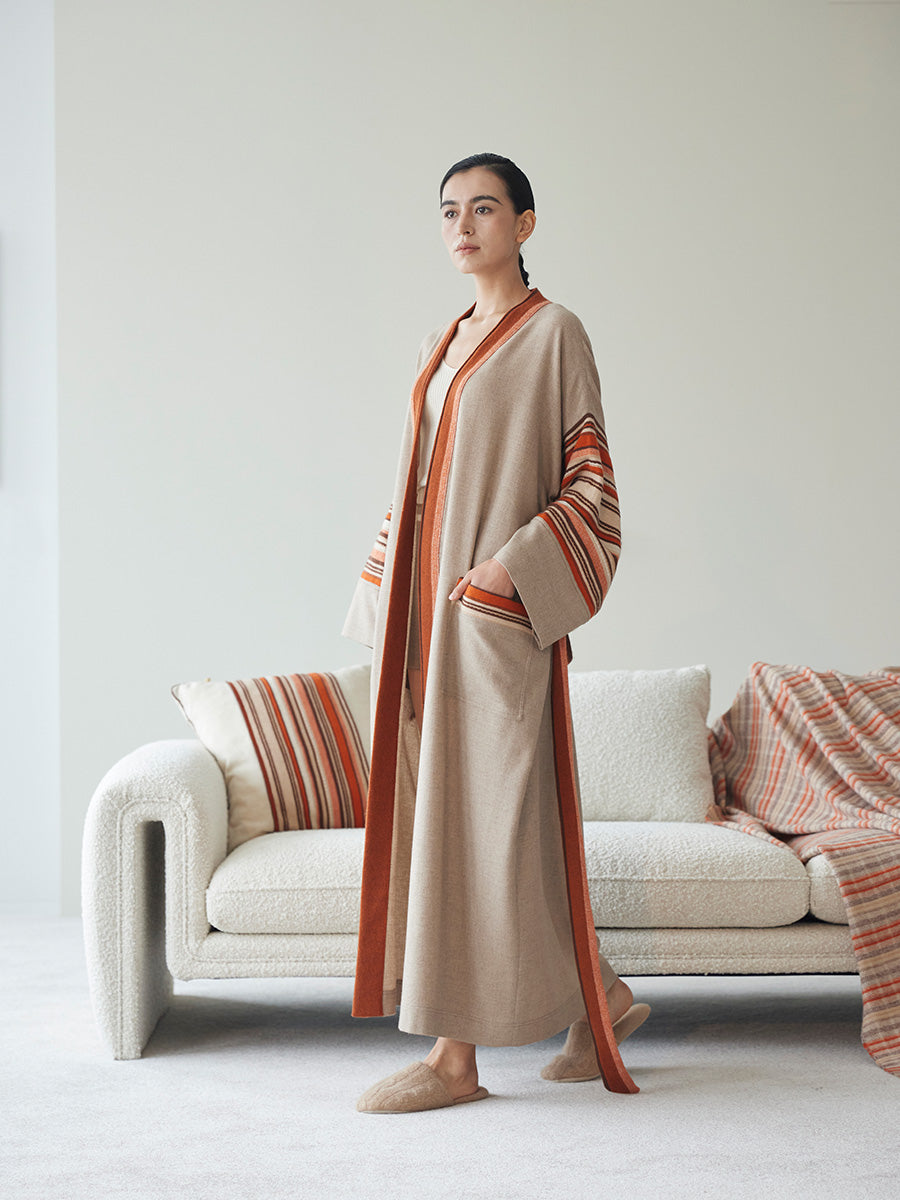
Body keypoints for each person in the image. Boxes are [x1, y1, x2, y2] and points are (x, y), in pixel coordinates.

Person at [341, 153, 649, 1114]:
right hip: (425, 626)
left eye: (483, 209)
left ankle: (454, 1060)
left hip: (493, 626)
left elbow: (592, 487)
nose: (463, 226)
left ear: (524, 223)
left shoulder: (555, 334)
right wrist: (388, 602)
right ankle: (600, 998)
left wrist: (504, 578)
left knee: (484, 827)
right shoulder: (441, 343)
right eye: (449, 212)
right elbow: (416, 485)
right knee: (486, 827)